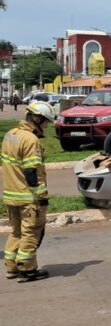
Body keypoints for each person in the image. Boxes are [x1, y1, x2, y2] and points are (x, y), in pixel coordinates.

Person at [3, 101, 56, 282]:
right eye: (46, 122)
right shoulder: (30, 140)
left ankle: (11, 268)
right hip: (28, 198)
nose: (47, 126)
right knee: (31, 233)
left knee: (16, 232)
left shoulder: (10, 135)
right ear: (37, 118)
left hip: (10, 196)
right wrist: (42, 199)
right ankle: (27, 270)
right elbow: (31, 172)